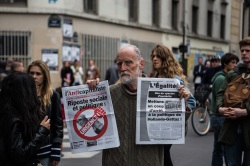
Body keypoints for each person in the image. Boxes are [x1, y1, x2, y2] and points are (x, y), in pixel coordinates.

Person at [87, 44, 194, 166]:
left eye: (128, 63)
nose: (122, 68)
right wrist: (91, 94)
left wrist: (181, 107)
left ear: (141, 64)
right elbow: (89, 129)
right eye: (119, 63)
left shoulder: (161, 92)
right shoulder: (108, 94)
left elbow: (178, 133)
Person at [150, 44, 196, 166]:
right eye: (153, 56)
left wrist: (185, 97)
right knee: (160, 155)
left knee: (163, 153)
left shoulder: (174, 79)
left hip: (169, 125)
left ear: (165, 59)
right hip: (156, 124)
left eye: (158, 56)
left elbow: (192, 102)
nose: (154, 58)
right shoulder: (153, 78)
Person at [0, 72, 50, 165]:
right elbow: (20, 154)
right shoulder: (14, 120)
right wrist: (42, 131)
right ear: (24, 92)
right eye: (32, 88)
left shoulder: (9, 112)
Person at [217, 37, 250, 166]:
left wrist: (245, 111)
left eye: (247, 50)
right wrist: (220, 108)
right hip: (232, 128)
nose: (244, 53)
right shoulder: (233, 73)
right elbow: (220, 93)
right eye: (242, 50)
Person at [27, 60, 63, 166]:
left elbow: (57, 124)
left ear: (45, 76)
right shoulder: (24, 94)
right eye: (31, 73)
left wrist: (56, 150)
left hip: (46, 150)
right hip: (28, 150)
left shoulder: (53, 95)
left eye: (38, 74)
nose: (34, 76)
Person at [210, 53, 239, 166]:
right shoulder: (221, 78)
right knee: (223, 149)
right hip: (219, 116)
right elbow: (221, 100)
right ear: (225, 64)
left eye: (236, 62)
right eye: (232, 62)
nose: (235, 65)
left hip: (218, 116)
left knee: (219, 149)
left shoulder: (224, 76)